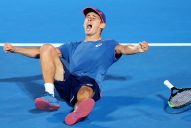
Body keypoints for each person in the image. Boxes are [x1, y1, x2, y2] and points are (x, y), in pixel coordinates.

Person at [3, 7, 148, 125]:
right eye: (87, 17)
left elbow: (123, 49)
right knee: (46, 47)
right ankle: (49, 96)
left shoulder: (109, 44)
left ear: (102, 25)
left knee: (84, 91)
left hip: (88, 81)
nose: (89, 18)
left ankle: (77, 112)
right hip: (68, 81)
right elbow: (42, 54)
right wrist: (16, 49)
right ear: (83, 23)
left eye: (94, 17)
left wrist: (137, 48)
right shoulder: (72, 46)